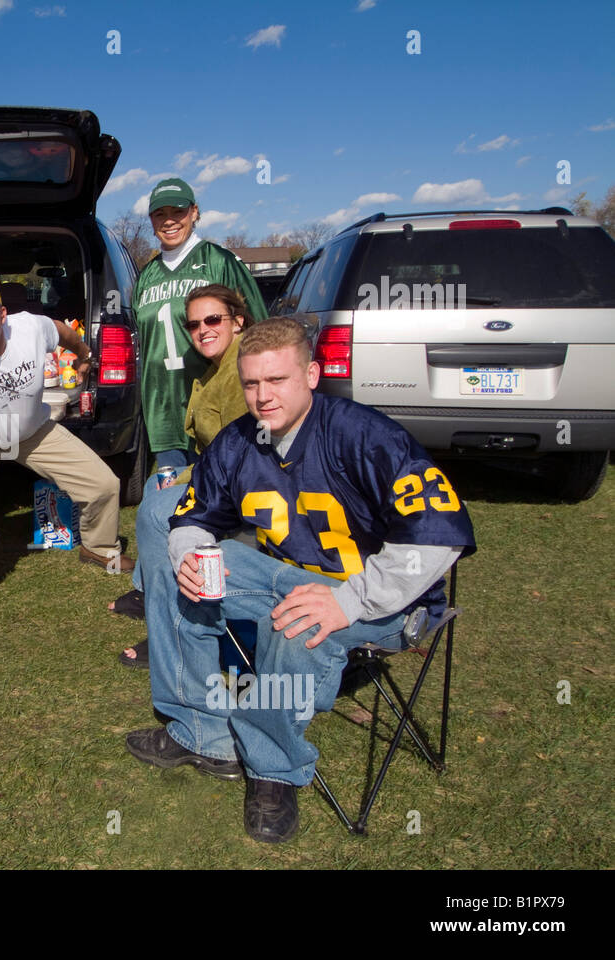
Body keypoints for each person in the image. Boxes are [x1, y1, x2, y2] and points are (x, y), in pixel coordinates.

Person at [125, 317, 476, 843]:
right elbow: (196, 515)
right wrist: (191, 554)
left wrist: (350, 600)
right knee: (177, 558)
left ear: (311, 374)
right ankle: (204, 732)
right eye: (251, 383)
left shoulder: (367, 436)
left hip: (380, 601)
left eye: (277, 381)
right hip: (286, 576)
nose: (263, 397)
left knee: (301, 620)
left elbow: (437, 537)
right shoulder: (239, 438)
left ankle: (272, 769)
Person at [0, 276, 134, 628]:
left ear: (2, 314)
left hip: (31, 430)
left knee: (104, 484)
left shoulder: (30, 328)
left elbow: (63, 332)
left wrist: (83, 355)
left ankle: (98, 547)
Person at [109, 178, 268, 618]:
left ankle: (213, 584)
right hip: (162, 403)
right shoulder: (148, 273)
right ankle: (153, 583)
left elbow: (255, 322)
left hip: (213, 400)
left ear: (195, 212)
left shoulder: (218, 259)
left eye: (178, 211)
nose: (169, 220)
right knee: (169, 494)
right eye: (160, 214)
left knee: (212, 495)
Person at [120, 283, 255, 668]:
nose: (202, 330)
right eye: (194, 324)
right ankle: (151, 593)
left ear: (238, 321)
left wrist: (182, 480)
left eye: (213, 319)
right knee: (154, 481)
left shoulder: (241, 372)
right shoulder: (217, 369)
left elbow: (238, 455)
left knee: (158, 508)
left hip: (238, 487)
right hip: (218, 474)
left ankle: (171, 633)